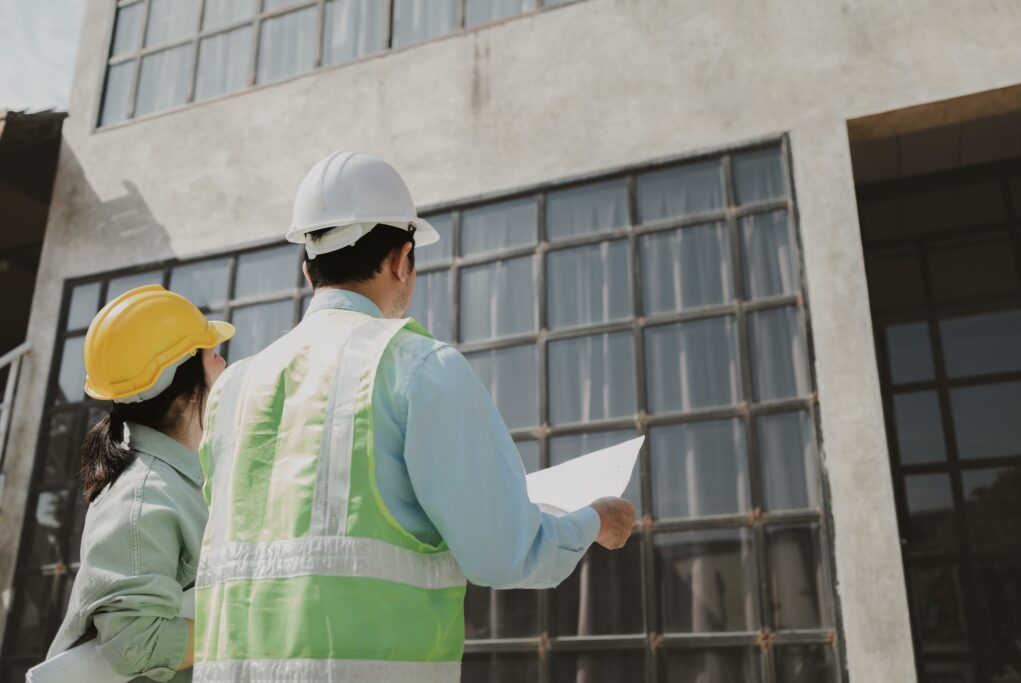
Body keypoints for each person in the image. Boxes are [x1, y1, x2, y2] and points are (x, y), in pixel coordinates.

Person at [192, 151, 636, 682]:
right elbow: (502, 552)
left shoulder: (233, 388)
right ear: (403, 259)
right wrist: (594, 522)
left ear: (307, 266)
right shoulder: (418, 367)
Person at [46, 285, 234, 682]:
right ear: (183, 391)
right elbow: (135, 643)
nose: (222, 364)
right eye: (212, 354)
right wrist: (249, 626)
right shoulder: (142, 493)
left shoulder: (188, 476)